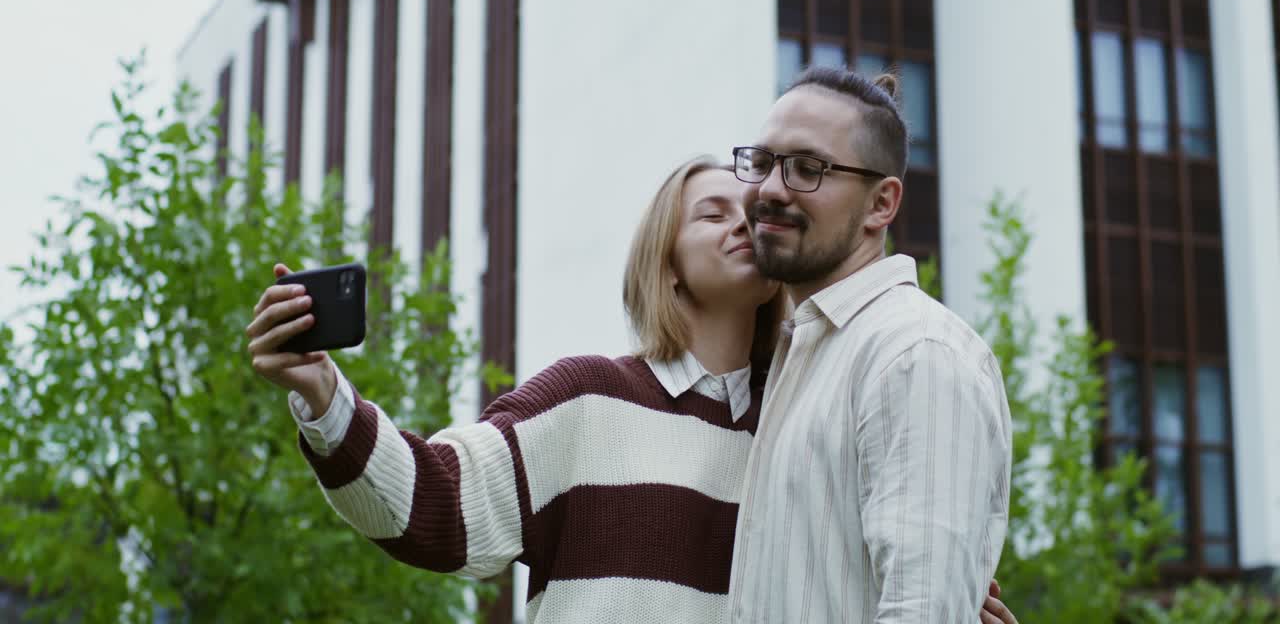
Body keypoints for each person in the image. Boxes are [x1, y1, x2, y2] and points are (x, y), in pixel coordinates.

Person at [246, 157, 1018, 623]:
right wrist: (325, 397)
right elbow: (435, 507)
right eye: (712, 214)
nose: (744, 224)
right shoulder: (588, 398)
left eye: (754, 214)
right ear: (666, 263)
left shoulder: (809, 426)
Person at [725, 67, 1014, 623]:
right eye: (762, 163)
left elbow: (921, 612)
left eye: (807, 168)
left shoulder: (914, 354)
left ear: (882, 203)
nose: (770, 189)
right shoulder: (804, 354)